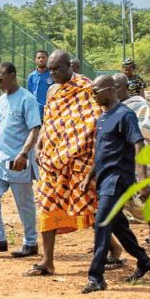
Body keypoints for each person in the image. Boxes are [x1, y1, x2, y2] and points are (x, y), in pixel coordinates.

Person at [21, 50, 100, 276]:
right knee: (47, 204)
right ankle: (47, 262)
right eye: (52, 69)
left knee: (86, 204)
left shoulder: (86, 87)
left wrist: (75, 149)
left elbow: (91, 122)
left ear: (70, 66)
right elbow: (49, 120)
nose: (54, 73)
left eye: (58, 68)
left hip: (78, 159)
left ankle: (113, 248)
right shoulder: (53, 90)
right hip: (51, 160)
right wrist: (39, 144)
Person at [80, 75, 150, 293]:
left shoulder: (125, 114)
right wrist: (89, 176)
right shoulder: (103, 117)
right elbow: (102, 151)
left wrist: (142, 181)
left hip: (118, 178)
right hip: (103, 178)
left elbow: (139, 145)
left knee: (102, 222)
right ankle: (144, 260)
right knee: (118, 225)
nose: (93, 96)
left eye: (96, 91)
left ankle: (96, 277)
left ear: (110, 89)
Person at [0, 62, 41, 256]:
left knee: (24, 204)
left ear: (13, 76)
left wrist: (23, 154)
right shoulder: (2, 100)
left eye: (1, 79)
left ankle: (30, 243)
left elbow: (35, 129)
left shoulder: (27, 99)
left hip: (18, 160)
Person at [114, 73, 150, 245]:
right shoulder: (113, 107)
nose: (114, 92)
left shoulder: (140, 105)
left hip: (142, 158)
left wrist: (130, 134)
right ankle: (111, 239)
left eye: (117, 88)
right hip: (121, 157)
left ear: (126, 87)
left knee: (143, 197)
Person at [27, 50, 54, 119]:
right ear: (35, 60)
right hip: (36, 112)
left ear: (47, 59)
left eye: (43, 57)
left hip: (50, 111)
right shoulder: (31, 76)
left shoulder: (52, 75)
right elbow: (29, 94)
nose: (41, 59)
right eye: (39, 58)